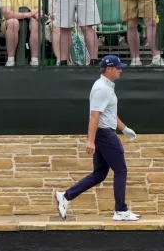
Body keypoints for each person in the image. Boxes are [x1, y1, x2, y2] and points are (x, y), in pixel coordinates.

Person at [54, 55, 141, 222]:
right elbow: (95, 116)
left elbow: (109, 113)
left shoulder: (107, 86)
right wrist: (90, 140)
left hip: (105, 132)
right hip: (105, 134)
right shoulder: (102, 88)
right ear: (109, 69)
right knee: (121, 170)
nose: (120, 70)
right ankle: (121, 210)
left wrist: (124, 129)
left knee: (100, 173)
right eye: (118, 68)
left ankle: (65, 196)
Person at [0, 0, 40, 65]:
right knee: (13, 22)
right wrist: (28, 14)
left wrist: (32, 15)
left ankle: (34, 59)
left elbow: (39, 10)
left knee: (35, 22)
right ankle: (11, 59)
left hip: (31, 19)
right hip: (10, 22)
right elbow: (7, 14)